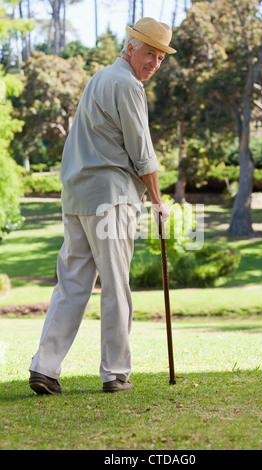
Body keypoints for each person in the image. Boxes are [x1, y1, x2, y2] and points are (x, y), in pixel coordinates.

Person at [28, 17, 176, 395]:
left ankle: (44, 368)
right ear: (130, 47)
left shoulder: (99, 79)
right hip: (111, 200)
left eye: (160, 57)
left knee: (72, 285)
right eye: (149, 53)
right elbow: (143, 153)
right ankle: (115, 373)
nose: (154, 63)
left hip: (77, 198)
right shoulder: (127, 85)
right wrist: (158, 203)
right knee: (115, 286)